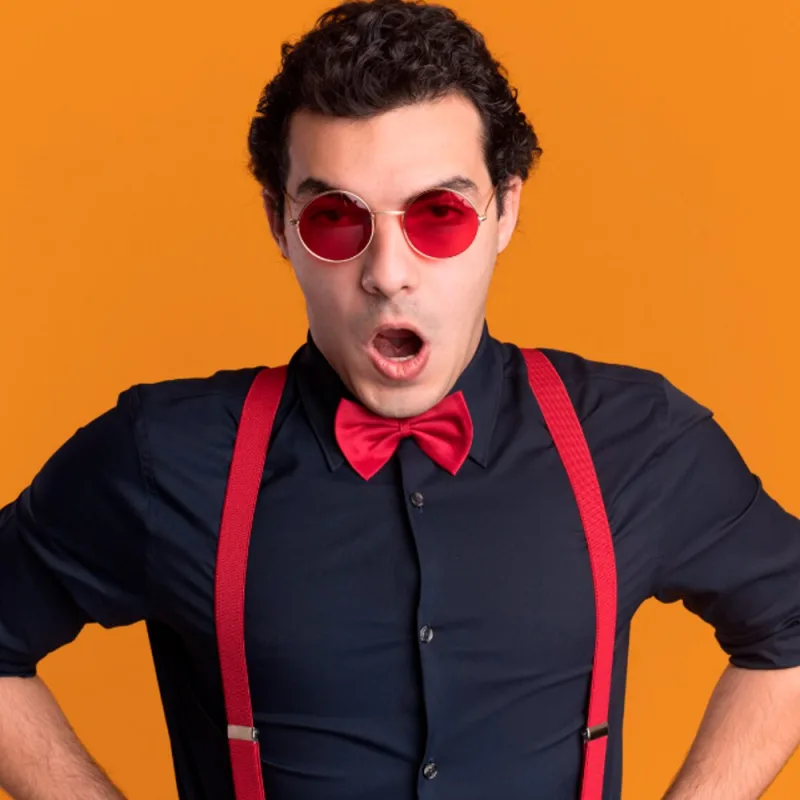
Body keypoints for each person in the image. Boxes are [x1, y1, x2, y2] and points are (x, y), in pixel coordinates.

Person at [2, 0, 800, 798]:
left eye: (439, 215)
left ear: (506, 210)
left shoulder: (634, 441)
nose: (388, 273)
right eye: (334, 218)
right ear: (279, 224)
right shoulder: (166, 457)